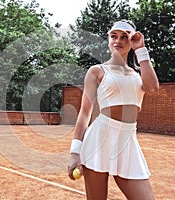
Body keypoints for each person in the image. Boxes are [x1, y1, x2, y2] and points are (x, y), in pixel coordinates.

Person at [67, 19, 159, 200]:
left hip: (128, 140)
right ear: (108, 39)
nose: (118, 41)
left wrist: (140, 49)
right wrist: (74, 153)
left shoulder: (138, 74)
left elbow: (152, 87)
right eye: (114, 36)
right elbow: (85, 113)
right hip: (99, 139)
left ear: (132, 40)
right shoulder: (97, 71)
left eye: (125, 37)